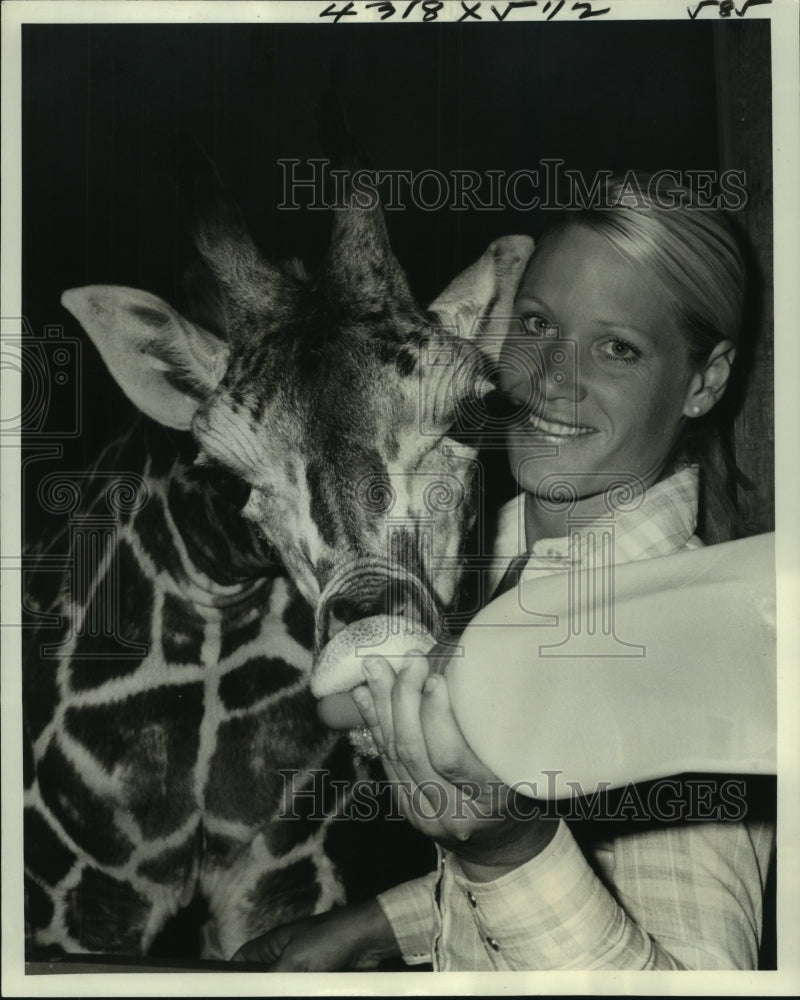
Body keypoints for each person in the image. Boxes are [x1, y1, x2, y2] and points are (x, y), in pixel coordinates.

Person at [232, 175, 775, 971]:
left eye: (618, 347)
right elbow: (602, 862)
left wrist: (509, 849)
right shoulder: (504, 566)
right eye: (537, 324)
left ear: (705, 381)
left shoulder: (690, 645)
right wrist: (376, 924)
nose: (551, 376)